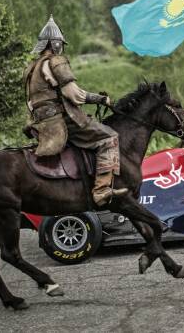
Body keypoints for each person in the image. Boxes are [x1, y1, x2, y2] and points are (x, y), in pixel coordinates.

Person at [23, 15, 128, 207]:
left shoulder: (31, 67)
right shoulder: (56, 62)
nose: (61, 48)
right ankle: (101, 190)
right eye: (60, 44)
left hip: (40, 122)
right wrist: (101, 99)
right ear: (55, 44)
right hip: (62, 120)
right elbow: (75, 95)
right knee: (109, 138)